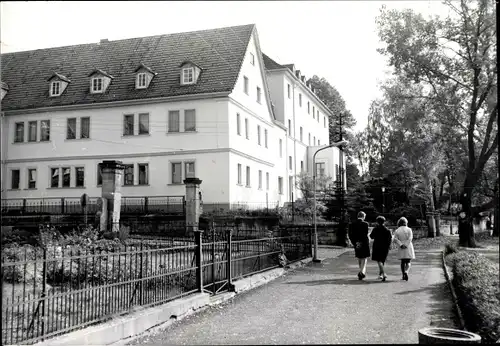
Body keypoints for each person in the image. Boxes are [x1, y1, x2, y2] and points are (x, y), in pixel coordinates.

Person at [348, 211, 370, 280]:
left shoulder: (352, 224)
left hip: (357, 242)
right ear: (363, 216)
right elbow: (366, 233)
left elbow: (350, 234)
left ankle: (361, 271)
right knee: (364, 257)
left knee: (359, 256)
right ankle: (362, 271)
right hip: (364, 242)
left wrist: (353, 242)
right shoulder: (365, 224)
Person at [370, 216, 392, 281]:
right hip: (385, 247)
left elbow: (371, 237)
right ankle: (380, 275)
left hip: (377, 246)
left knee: (379, 261)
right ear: (384, 221)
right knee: (382, 261)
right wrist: (389, 246)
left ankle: (383, 273)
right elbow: (390, 239)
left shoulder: (375, 229)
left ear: (377, 222)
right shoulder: (387, 230)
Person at [393, 217, 415, 281]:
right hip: (408, 246)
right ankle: (406, 271)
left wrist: (401, 244)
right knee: (408, 261)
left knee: (402, 261)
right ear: (406, 222)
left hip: (401, 247)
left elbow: (395, 239)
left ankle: (403, 275)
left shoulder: (397, 230)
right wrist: (406, 244)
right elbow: (410, 238)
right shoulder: (409, 229)